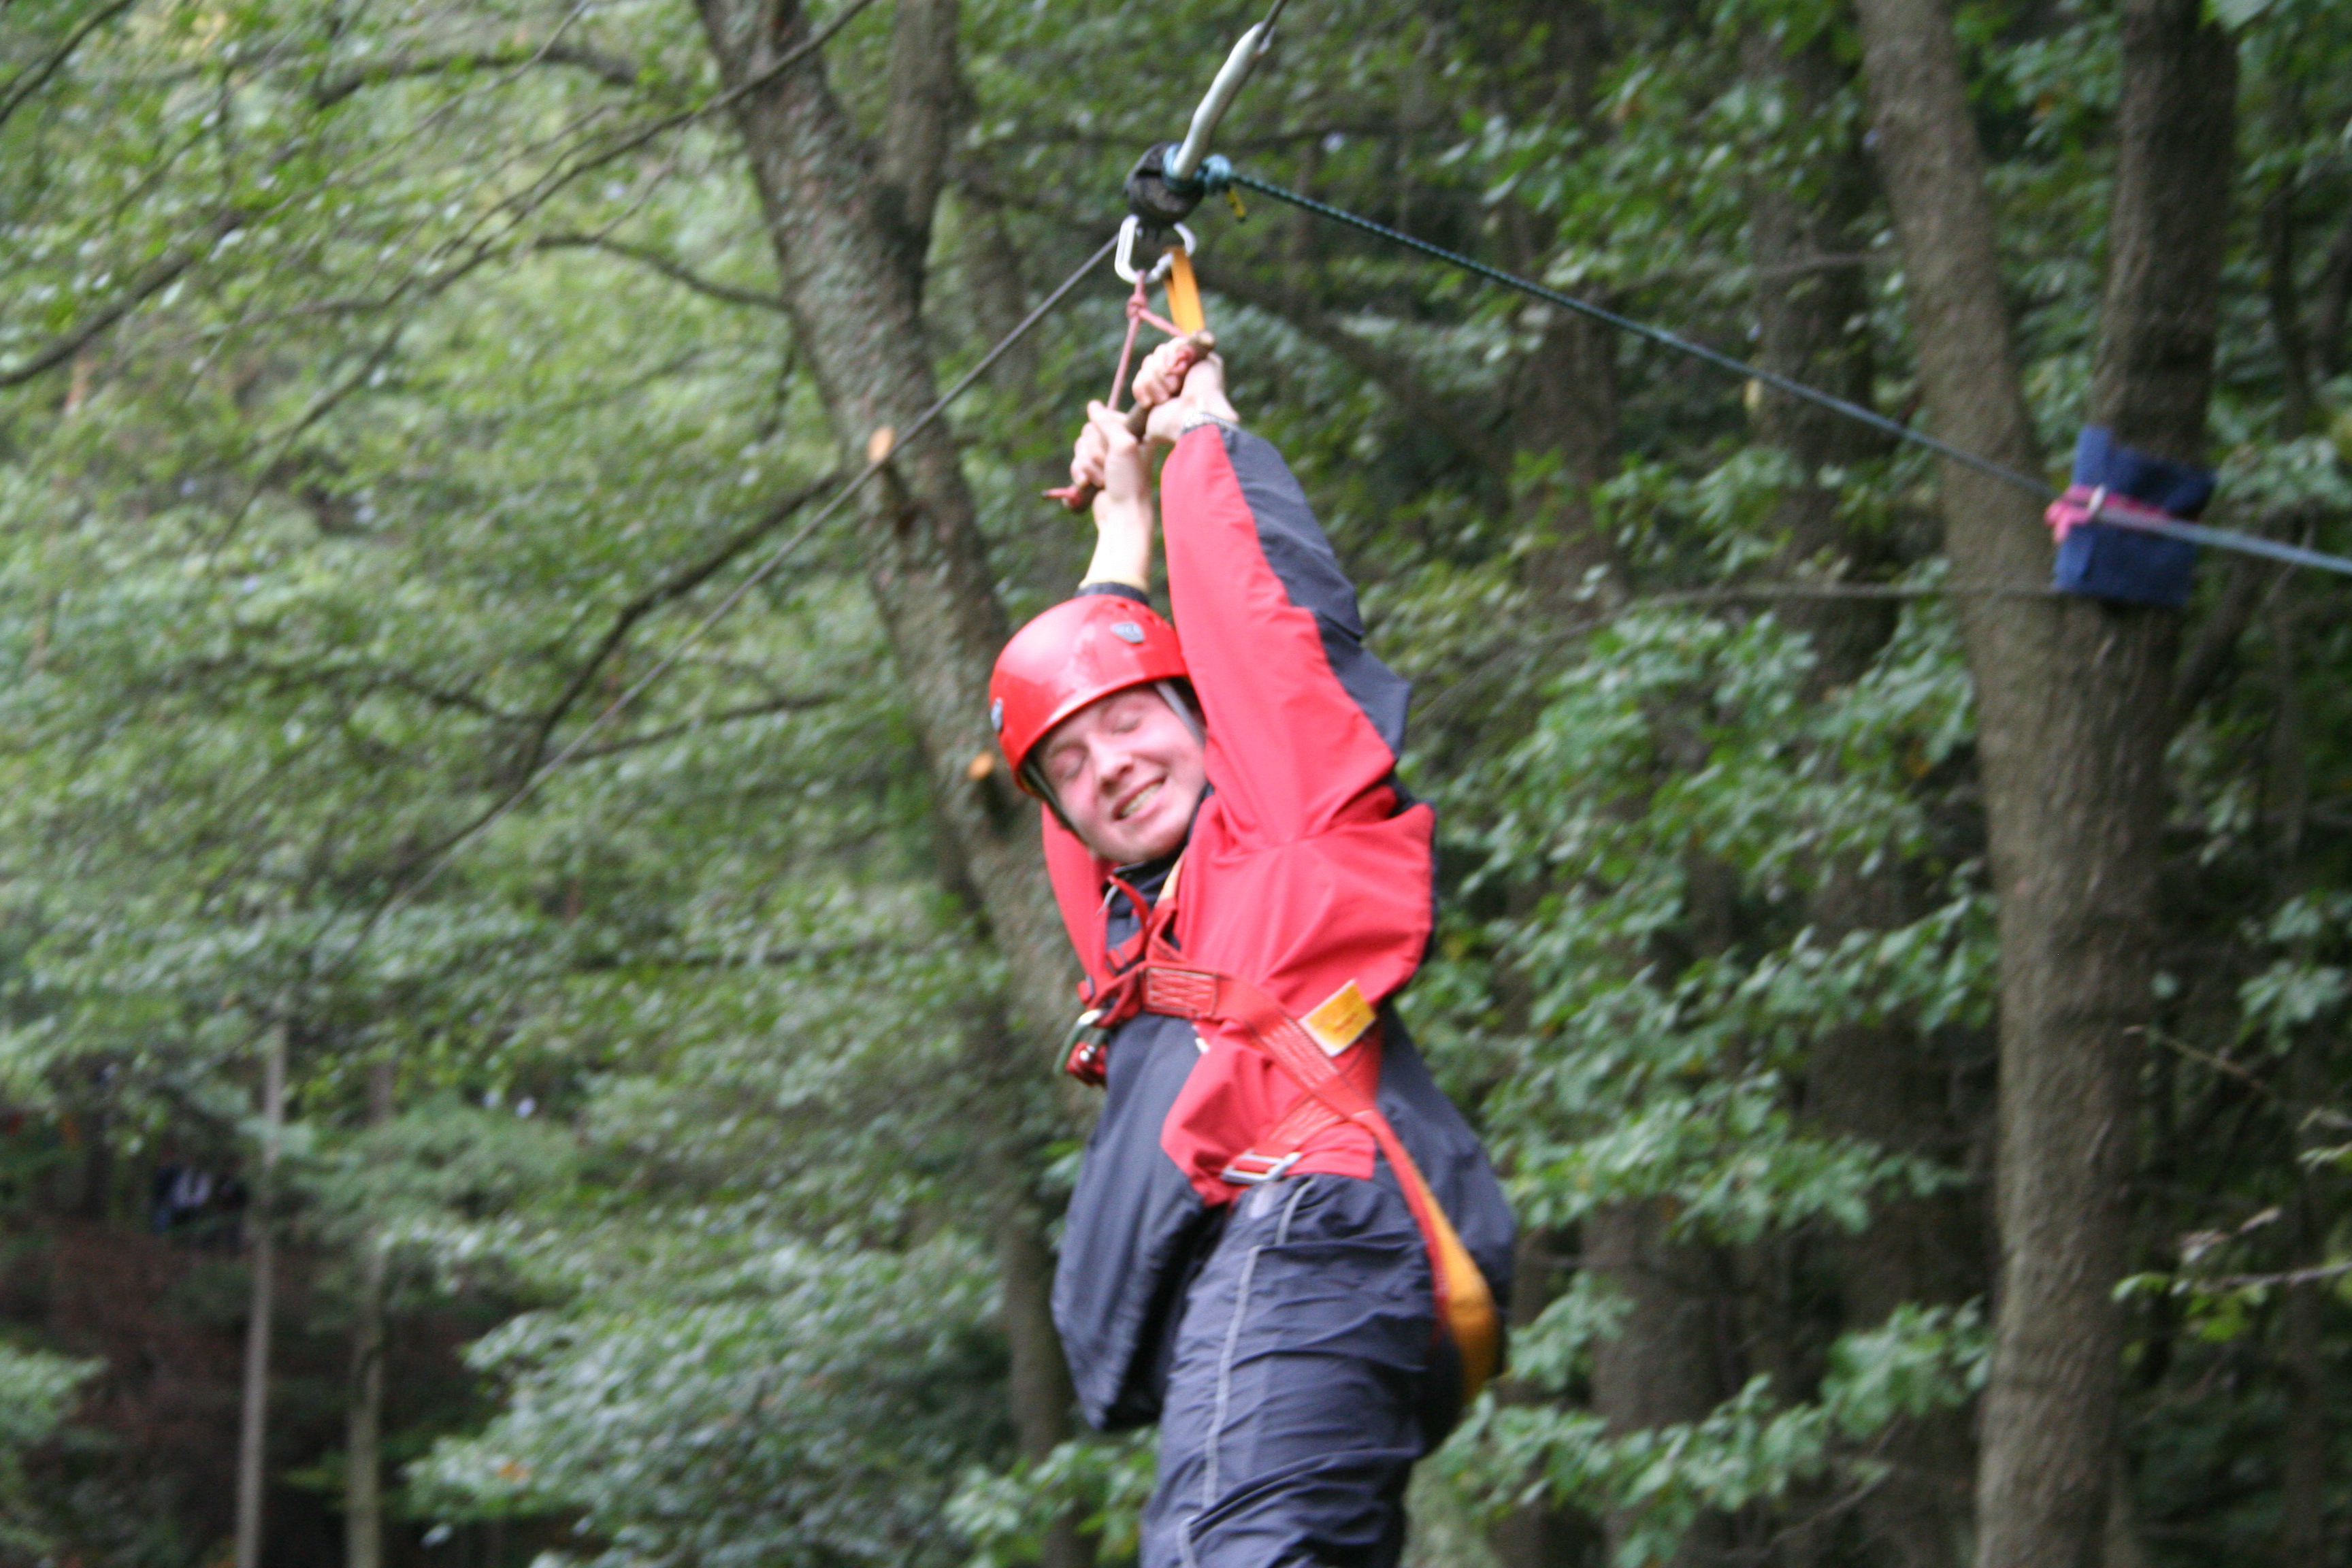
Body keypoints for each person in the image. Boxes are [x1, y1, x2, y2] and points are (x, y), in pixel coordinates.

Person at [988, 341, 1515, 1568]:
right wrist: (1118, 537)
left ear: (1198, 721)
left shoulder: (1284, 818)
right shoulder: (1141, 939)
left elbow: (1273, 631)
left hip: (1318, 1220)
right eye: (1074, 767)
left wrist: (1204, 441)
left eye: (1132, 724)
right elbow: (1071, 758)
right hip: (1275, 1269)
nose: (1110, 766)